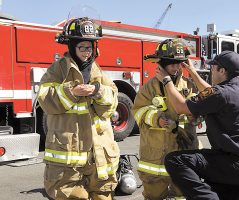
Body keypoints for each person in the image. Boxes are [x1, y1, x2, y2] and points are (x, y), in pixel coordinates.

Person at [155, 50, 239, 200]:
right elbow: (211, 93)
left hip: (231, 163)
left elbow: (181, 107)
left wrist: (167, 81)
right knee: (217, 190)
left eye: (213, 68)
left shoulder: (221, 94)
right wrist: (193, 72)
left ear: (222, 70)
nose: (210, 71)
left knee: (175, 160)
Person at [38, 17, 119, 200]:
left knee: (103, 194)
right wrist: (71, 92)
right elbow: (45, 99)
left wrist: (98, 91)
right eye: (81, 47)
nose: (86, 52)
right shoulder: (57, 70)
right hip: (68, 156)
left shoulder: (98, 72)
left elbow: (112, 102)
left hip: (99, 154)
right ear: (72, 46)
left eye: (89, 47)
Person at [132, 38, 200, 200]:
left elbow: (196, 114)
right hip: (155, 156)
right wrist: (157, 119)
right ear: (162, 64)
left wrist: (178, 123)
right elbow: (138, 111)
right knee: (154, 194)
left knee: (183, 194)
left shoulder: (188, 86)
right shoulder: (150, 87)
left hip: (183, 149)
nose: (176, 68)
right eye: (172, 64)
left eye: (178, 64)